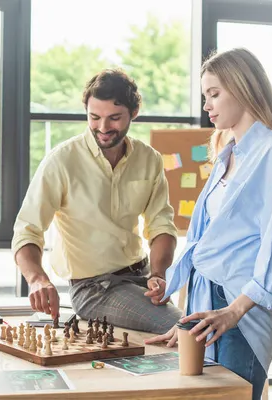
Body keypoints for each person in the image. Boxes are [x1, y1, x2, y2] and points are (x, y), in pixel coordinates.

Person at [145, 48, 272, 400]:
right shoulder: (224, 156)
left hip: (240, 307)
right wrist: (188, 320)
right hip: (207, 300)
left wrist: (233, 312)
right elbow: (208, 241)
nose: (207, 105)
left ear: (244, 88)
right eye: (205, 96)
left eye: (214, 94)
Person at [12, 68, 182, 333]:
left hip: (142, 276)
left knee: (199, 321)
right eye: (94, 117)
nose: (103, 128)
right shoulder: (62, 160)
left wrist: (158, 275)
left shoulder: (149, 159)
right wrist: (37, 279)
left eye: (114, 118)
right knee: (182, 327)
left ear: (133, 113)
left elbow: (162, 226)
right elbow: (27, 229)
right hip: (94, 289)